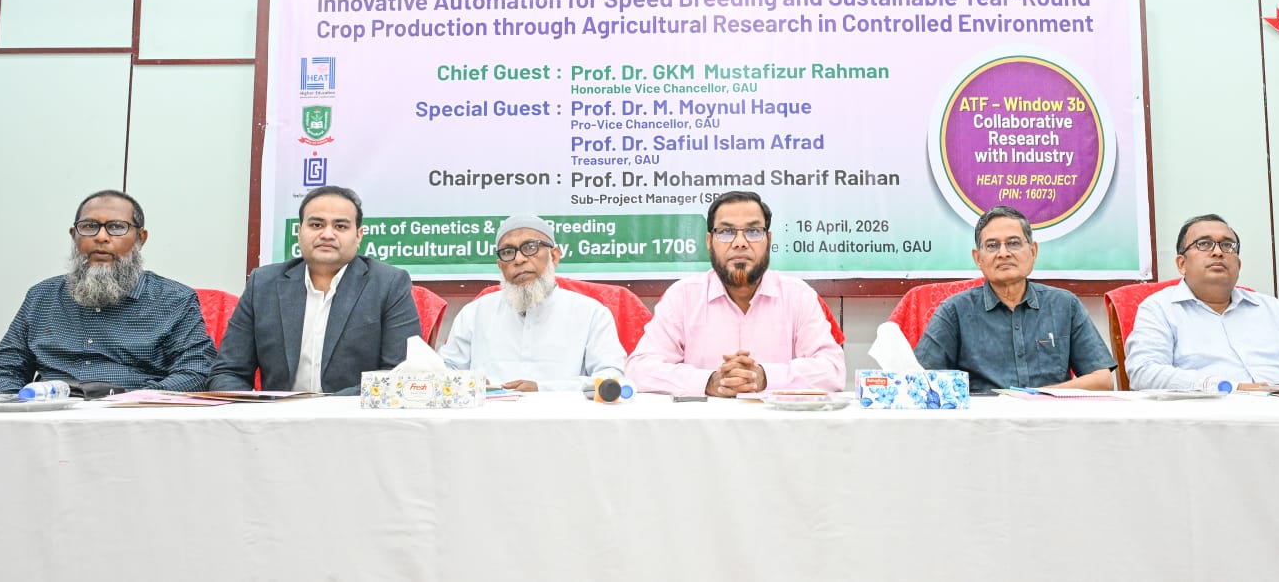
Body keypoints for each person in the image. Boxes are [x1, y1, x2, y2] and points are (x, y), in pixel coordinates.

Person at [0, 190, 215, 393]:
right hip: (49, 417)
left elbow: (196, 372)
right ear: (74, 236)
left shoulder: (175, 300)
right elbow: (1, 369)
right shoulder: (42, 296)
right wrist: (19, 408)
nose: (101, 237)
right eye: (89, 226)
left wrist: (133, 403)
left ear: (140, 238)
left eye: (116, 227)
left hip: (135, 418)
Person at [626, 191, 844, 396]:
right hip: (703, 423)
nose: (740, 243)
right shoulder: (682, 297)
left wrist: (765, 377)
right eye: (726, 232)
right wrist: (708, 381)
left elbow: (833, 370)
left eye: (753, 231)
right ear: (709, 242)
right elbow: (639, 369)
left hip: (778, 422)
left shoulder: (798, 296)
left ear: (769, 240)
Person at [209, 186, 420, 395]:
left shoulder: (388, 284)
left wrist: (323, 408)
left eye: (340, 226)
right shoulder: (263, 284)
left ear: (358, 236)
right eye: (316, 224)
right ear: (299, 231)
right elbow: (228, 372)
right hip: (278, 415)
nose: (327, 234)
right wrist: (254, 411)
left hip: (353, 414)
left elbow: (399, 374)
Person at [1125, 214, 1279, 390]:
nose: (1218, 252)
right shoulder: (1159, 308)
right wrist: (1227, 388)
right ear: (1181, 264)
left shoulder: (1271, 308)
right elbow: (1144, 372)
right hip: (1209, 422)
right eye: (1204, 244)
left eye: (1228, 246)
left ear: (1238, 265)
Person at [915, 205, 1115, 393]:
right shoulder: (954, 312)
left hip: (1050, 415)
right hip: (985, 417)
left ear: (1033, 251)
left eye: (1013, 243)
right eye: (992, 246)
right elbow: (920, 382)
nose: (1003, 253)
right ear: (978, 258)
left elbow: (1102, 380)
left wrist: (1037, 397)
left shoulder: (1064, 305)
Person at [438, 214, 626, 391]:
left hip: (564, 414)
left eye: (530, 247)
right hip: (487, 413)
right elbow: (444, 371)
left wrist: (542, 389)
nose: (518, 259)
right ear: (500, 266)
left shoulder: (591, 313)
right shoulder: (474, 313)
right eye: (508, 252)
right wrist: (468, 383)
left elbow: (611, 378)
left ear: (554, 256)